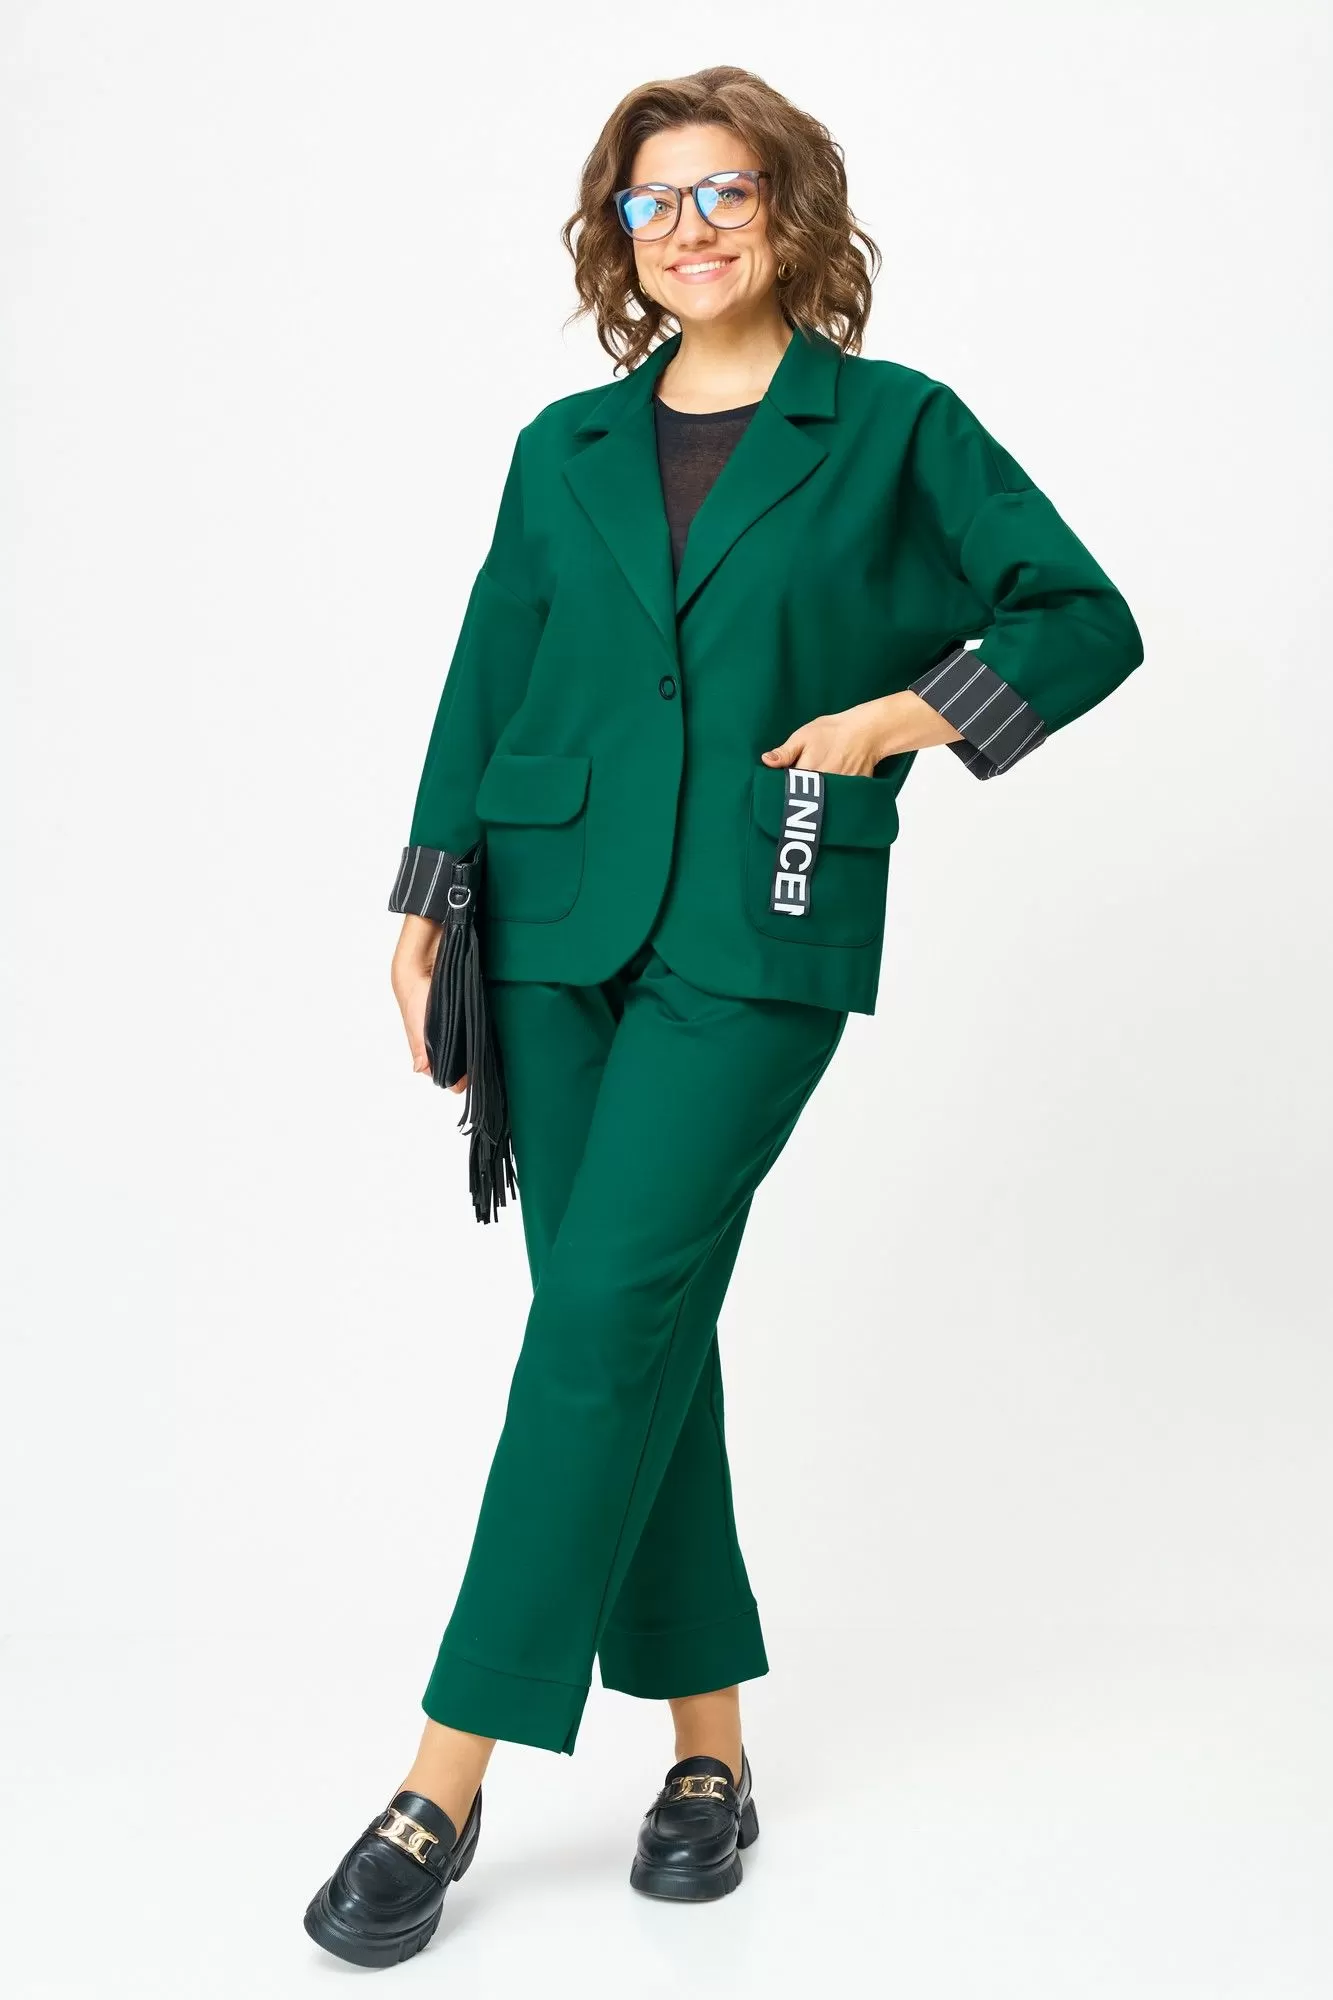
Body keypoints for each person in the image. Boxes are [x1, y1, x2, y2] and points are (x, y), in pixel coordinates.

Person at [303, 64, 1143, 1967]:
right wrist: (429, 893)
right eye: (650, 203)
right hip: (551, 920)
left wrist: (901, 718)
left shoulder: (897, 426)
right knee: (632, 1334)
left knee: (602, 1323)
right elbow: (491, 667)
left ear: (789, 209)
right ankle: (709, 1756)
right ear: (618, 240)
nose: (686, 228)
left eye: (722, 191)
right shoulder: (564, 448)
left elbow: (1083, 615)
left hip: (760, 920)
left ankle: (442, 1778)